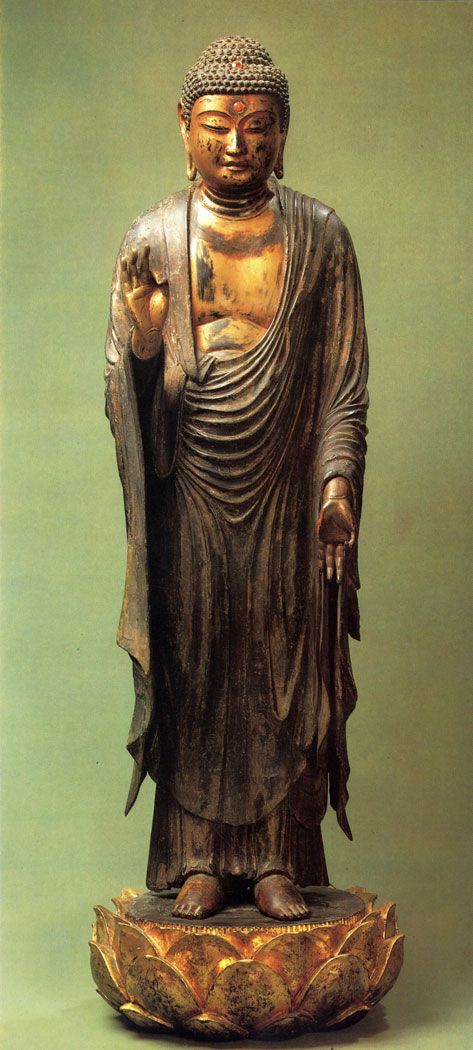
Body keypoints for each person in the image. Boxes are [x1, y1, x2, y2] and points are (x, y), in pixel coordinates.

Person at [105, 37, 368, 921]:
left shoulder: (321, 237)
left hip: (288, 494)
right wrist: (148, 341)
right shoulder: (151, 238)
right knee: (198, 661)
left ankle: (277, 856)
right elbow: (122, 391)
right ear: (184, 128)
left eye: (258, 126)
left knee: (280, 666)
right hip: (189, 486)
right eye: (217, 124)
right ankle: (196, 861)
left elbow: (342, 383)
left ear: (282, 134)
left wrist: (335, 489)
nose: (236, 144)